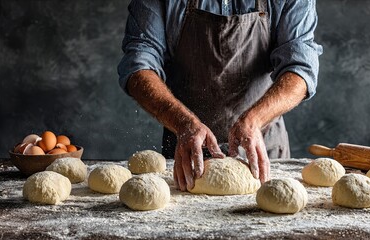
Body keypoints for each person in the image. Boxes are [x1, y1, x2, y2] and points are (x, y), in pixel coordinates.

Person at [118, 0, 322, 191]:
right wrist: (183, 122)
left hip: (263, 150)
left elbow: (300, 67)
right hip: (186, 153)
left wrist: (255, 120)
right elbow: (139, 63)